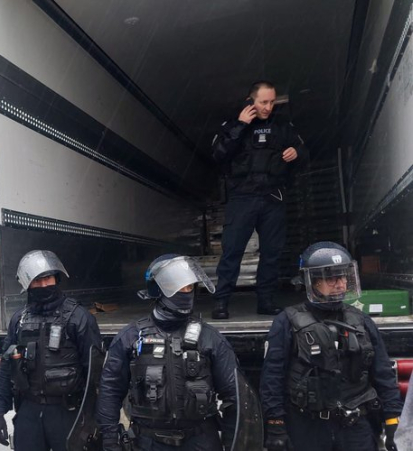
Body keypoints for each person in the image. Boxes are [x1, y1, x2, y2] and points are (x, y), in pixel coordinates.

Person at [260, 242, 402, 451]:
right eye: (331, 277)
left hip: (356, 425)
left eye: (343, 276)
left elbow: (382, 373)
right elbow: (272, 378)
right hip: (308, 426)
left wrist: (392, 419)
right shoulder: (287, 322)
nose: (340, 283)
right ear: (313, 282)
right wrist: (275, 425)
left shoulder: (361, 320)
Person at [96, 254, 239, 450]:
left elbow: (234, 395)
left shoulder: (210, 338)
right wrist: (110, 438)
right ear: (157, 289)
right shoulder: (130, 337)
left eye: (189, 287)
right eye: (178, 287)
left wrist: (234, 441)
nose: (186, 293)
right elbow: (110, 390)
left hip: (201, 440)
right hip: (148, 441)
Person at [210, 80, 310, 319]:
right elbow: (218, 155)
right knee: (232, 251)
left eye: (272, 102)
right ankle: (221, 303)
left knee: (271, 253)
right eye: (263, 102)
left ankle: (266, 302)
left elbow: (304, 154)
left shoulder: (283, 126)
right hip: (242, 197)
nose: (268, 107)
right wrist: (240, 126)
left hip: (273, 197)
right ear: (250, 101)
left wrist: (297, 153)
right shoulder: (232, 124)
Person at [0, 250, 102, 451]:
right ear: (27, 284)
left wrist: (95, 421)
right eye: (37, 280)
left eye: (48, 278)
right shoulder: (19, 320)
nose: (44, 285)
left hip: (68, 412)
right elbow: (7, 368)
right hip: (29, 411)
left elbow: (95, 376)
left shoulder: (79, 318)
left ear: (56, 278)